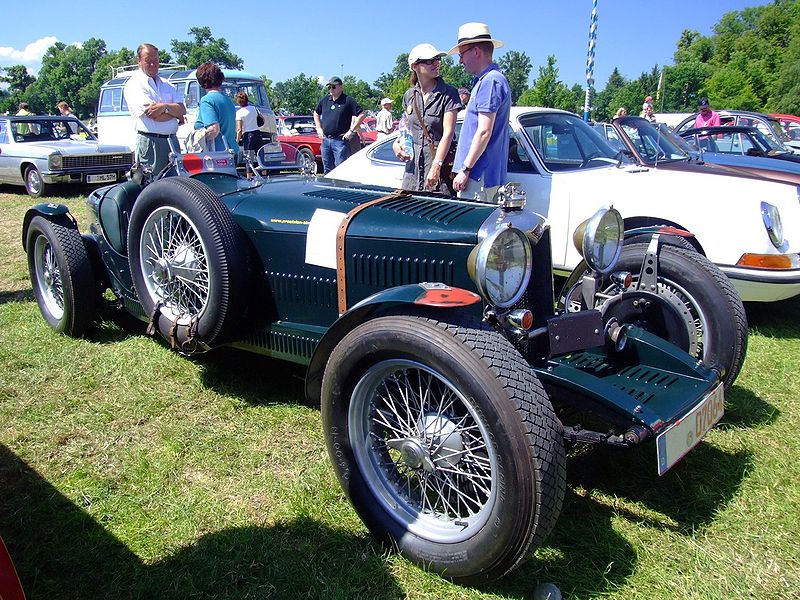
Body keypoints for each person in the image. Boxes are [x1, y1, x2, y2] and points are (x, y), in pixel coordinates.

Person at [449, 22, 511, 202]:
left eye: (461, 55)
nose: (460, 61)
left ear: (476, 51)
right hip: (483, 176)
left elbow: (484, 131)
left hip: (479, 177)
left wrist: (465, 169)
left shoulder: (489, 82)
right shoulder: (489, 80)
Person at [392, 43, 461, 193]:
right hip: (413, 173)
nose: (436, 63)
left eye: (437, 59)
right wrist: (396, 145)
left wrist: (436, 166)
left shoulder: (449, 93)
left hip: (438, 173)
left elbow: (448, 134)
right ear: (415, 66)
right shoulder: (409, 96)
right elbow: (405, 129)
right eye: (429, 61)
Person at [123, 43, 186, 174]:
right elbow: (154, 115)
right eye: (148, 61)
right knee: (151, 187)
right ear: (139, 61)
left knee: (176, 186)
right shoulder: (134, 85)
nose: (153, 64)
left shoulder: (167, 84)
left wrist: (164, 107)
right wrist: (174, 114)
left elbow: (182, 109)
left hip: (172, 142)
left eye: (155, 60)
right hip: (151, 143)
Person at [313, 76, 365, 173]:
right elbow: (316, 113)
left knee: (340, 168)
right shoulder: (325, 100)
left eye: (334, 87)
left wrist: (351, 130)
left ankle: (339, 187)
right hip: (326, 140)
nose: (331, 89)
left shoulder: (348, 100)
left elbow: (361, 114)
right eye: (329, 87)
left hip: (340, 140)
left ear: (341, 87)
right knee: (327, 168)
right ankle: (328, 187)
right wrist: (318, 128)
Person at [193, 63, 239, 154]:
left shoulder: (207, 101)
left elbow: (214, 129)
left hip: (217, 154)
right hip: (232, 150)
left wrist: (197, 139)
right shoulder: (227, 100)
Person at [235, 91, 260, 157]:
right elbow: (262, 119)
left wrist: (237, 141)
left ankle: (249, 167)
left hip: (248, 135)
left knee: (249, 157)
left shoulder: (239, 112)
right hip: (257, 133)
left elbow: (239, 129)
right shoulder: (254, 108)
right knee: (260, 156)